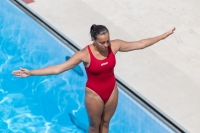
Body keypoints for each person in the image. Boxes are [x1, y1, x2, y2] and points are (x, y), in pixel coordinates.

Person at [12, 24, 175, 133]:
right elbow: (58, 68)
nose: (106, 45)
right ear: (93, 40)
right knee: (94, 125)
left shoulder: (115, 45)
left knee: (106, 123)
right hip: (94, 94)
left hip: (111, 90)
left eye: (108, 41)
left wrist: (162, 36)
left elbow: (140, 43)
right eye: (102, 42)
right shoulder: (84, 54)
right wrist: (31, 72)